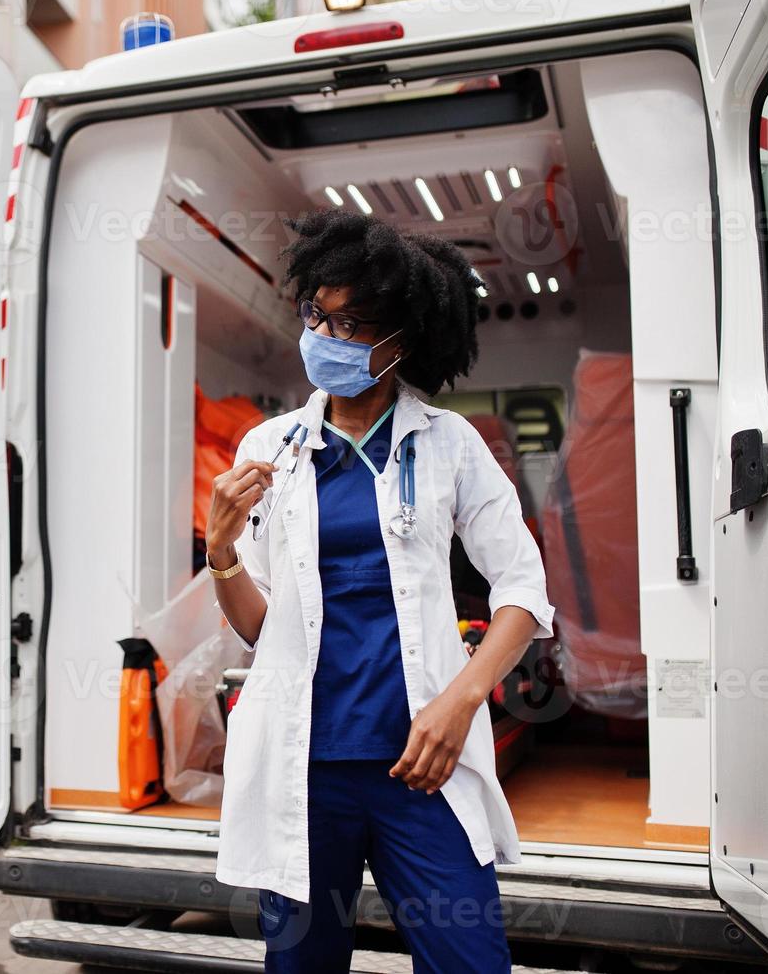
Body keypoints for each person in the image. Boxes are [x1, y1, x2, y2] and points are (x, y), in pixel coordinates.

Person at [207, 208, 555, 973]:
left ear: (404, 341)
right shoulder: (270, 448)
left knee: (469, 962)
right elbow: (261, 628)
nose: (325, 340)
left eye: (352, 324)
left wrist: (460, 703)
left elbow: (522, 586)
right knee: (303, 966)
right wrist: (221, 548)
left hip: (418, 762)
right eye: (316, 317)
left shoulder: (449, 444)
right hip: (303, 765)